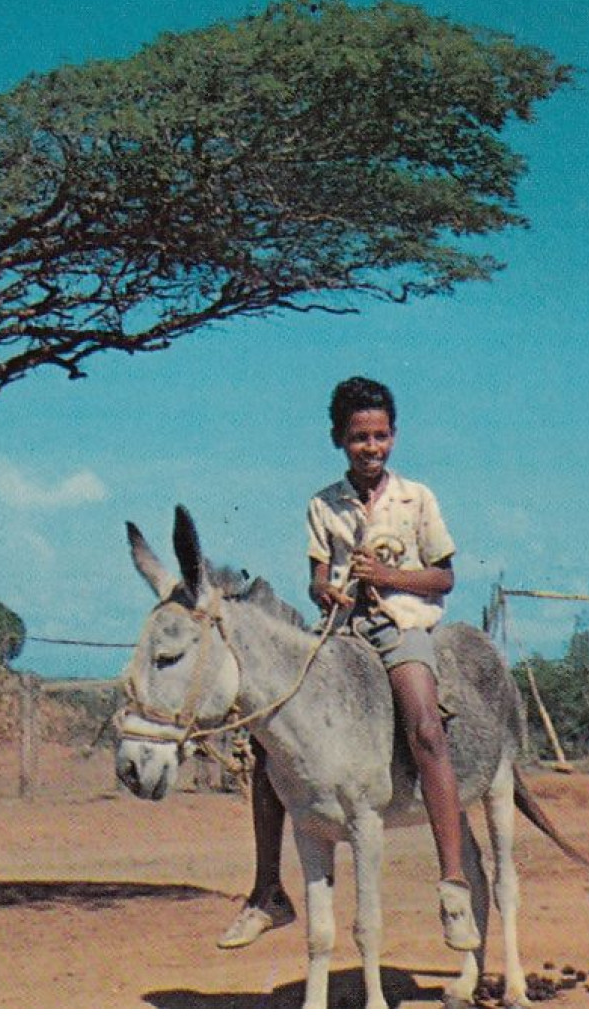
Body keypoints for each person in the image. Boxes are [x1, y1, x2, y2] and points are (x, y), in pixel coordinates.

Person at [218, 376, 481, 953]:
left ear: (394, 436)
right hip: (342, 633)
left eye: (381, 436)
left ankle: (454, 884)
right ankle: (267, 890)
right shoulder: (322, 504)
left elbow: (444, 576)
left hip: (400, 626)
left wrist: (388, 578)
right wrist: (327, 594)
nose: (372, 447)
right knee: (270, 744)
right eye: (360, 437)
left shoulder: (418, 499)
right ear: (340, 439)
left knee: (427, 727)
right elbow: (317, 577)